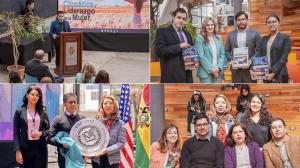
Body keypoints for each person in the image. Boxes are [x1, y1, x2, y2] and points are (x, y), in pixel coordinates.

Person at [13, 86, 50, 168]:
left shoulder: (43, 112)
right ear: (27, 95)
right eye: (32, 94)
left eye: (37, 95)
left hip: (40, 148)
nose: (35, 97)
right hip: (25, 148)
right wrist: (17, 151)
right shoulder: (19, 112)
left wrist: (41, 133)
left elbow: (49, 131)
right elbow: (16, 132)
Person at [155, 8, 193, 83]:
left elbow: (191, 51)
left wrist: (194, 60)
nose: (181, 20)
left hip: (187, 76)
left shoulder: (188, 34)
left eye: (184, 19)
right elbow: (159, 51)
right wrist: (179, 46)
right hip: (171, 76)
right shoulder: (162, 32)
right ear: (173, 17)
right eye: (179, 17)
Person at [47, 93, 85, 168]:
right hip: (64, 157)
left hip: (80, 157)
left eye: (75, 102)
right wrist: (61, 144)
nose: (73, 104)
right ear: (64, 104)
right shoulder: (58, 119)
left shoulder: (83, 119)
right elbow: (49, 138)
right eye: (70, 102)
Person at [225, 11, 261, 83]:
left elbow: (259, 50)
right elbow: (227, 50)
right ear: (236, 22)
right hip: (236, 70)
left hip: (250, 69)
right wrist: (231, 60)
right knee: (237, 89)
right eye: (239, 20)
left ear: (247, 20)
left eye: (243, 19)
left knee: (250, 90)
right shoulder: (230, 35)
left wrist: (251, 61)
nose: (241, 21)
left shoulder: (255, 33)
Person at [254, 14, 291, 83]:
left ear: (279, 23)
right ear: (266, 24)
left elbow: (283, 58)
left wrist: (273, 73)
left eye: (274, 22)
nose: (271, 24)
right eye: (269, 22)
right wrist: (254, 69)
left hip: (280, 74)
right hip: (266, 73)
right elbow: (259, 55)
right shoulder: (264, 39)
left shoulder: (285, 38)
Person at [92, 95, 126, 168]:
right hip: (97, 159)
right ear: (102, 106)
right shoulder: (95, 121)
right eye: (105, 103)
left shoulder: (120, 123)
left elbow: (121, 143)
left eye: (110, 103)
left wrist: (106, 150)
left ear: (114, 106)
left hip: (112, 160)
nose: (108, 105)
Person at [195, 17, 226, 83]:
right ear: (204, 27)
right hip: (205, 73)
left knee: (216, 92)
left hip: (217, 72)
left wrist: (218, 68)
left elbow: (222, 54)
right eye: (208, 25)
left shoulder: (218, 38)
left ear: (214, 26)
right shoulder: (199, 38)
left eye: (212, 25)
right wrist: (212, 70)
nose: (210, 27)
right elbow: (201, 56)